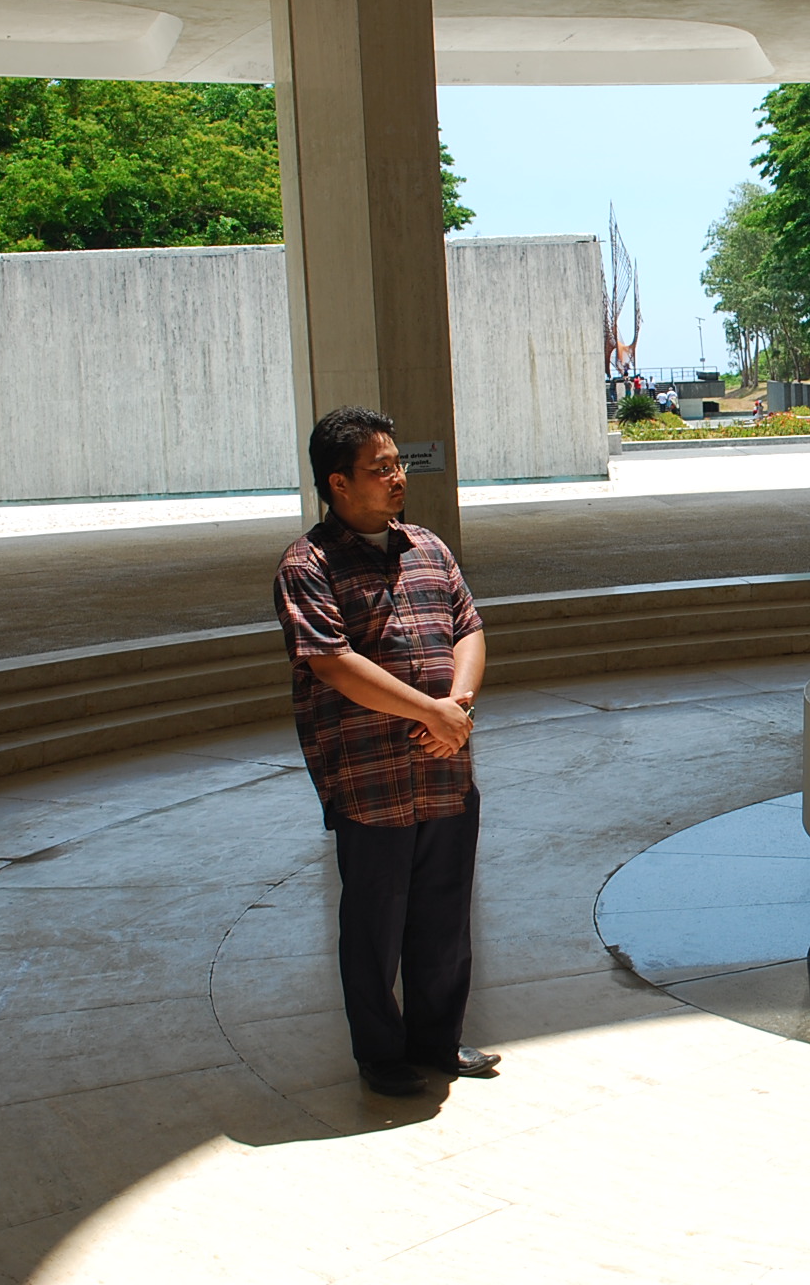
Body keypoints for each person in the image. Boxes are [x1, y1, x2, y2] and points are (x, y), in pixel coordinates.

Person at [273, 406, 499, 1098]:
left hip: (444, 763)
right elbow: (333, 663)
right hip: (370, 778)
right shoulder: (306, 565)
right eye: (382, 468)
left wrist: (454, 707)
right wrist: (431, 710)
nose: (399, 477)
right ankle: (381, 1052)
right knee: (374, 923)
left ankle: (437, 1040)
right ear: (338, 483)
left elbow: (469, 627)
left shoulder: (427, 547)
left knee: (444, 912)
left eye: (399, 464)